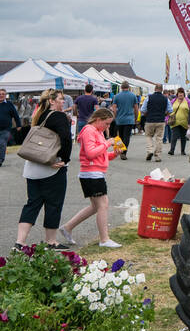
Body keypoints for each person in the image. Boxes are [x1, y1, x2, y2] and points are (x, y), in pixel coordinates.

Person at [15, 89, 73, 248]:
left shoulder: (39, 115)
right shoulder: (59, 116)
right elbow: (66, 139)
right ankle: (51, 241)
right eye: (61, 99)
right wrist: (64, 158)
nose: (63, 102)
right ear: (52, 101)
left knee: (32, 204)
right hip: (51, 168)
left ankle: (20, 242)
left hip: (33, 167)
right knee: (53, 204)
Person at [59, 106, 121, 249]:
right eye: (106, 123)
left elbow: (100, 154)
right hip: (91, 173)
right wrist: (107, 143)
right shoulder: (89, 131)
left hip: (94, 172)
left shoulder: (96, 131)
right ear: (98, 119)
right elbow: (91, 153)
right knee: (103, 205)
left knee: (96, 206)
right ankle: (104, 239)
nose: (108, 126)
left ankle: (67, 227)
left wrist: (114, 154)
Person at [113, 82, 139, 160]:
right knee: (126, 137)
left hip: (120, 119)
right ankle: (124, 152)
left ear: (121, 87)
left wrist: (115, 116)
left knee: (120, 136)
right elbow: (136, 108)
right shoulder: (133, 95)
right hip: (129, 119)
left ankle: (121, 151)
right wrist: (136, 117)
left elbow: (114, 108)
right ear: (129, 87)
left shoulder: (116, 96)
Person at [143, 83, 169, 162]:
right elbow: (170, 110)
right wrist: (165, 115)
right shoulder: (165, 99)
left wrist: (147, 114)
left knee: (148, 136)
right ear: (161, 89)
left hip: (150, 120)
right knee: (159, 138)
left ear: (155, 89)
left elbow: (143, 109)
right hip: (161, 120)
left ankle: (150, 150)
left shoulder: (149, 97)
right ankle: (157, 155)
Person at [0, 87, 22, 168]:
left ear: (6, 95)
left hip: (5, 129)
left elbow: (16, 115)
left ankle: (0, 160)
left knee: (2, 144)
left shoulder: (9, 104)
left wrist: (18, 125)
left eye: (3, 94)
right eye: (0, 94)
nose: (1, 95)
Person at [168, 88, 190, 156]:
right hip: (175, 122)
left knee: (183, 137)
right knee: (174, 136)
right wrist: (167, 118)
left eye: (182, 92)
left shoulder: (188, 101)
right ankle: (172, 150)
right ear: (177, 94)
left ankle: (183, 151)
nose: (180, 94)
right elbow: (169, 110)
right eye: (179, 93)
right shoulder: (173, 101)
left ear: (184, 94)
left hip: (184, 122)